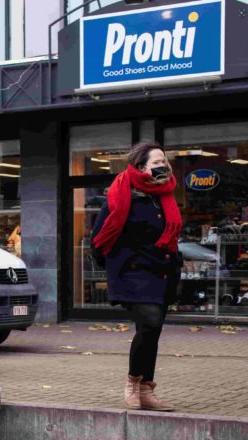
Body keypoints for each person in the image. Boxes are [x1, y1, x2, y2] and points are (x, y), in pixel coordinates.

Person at [92, 141, 182, 411]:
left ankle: (147, 389)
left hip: (161, 270)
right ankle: (132, 383)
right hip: (132, 271)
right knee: (150, 323)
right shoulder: (123, 193)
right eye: (156, 162)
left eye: (164, 161)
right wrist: (114, 266)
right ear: (141, 167)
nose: (162, 166)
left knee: (152, 332)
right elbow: (99, 236)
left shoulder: (163, 195)